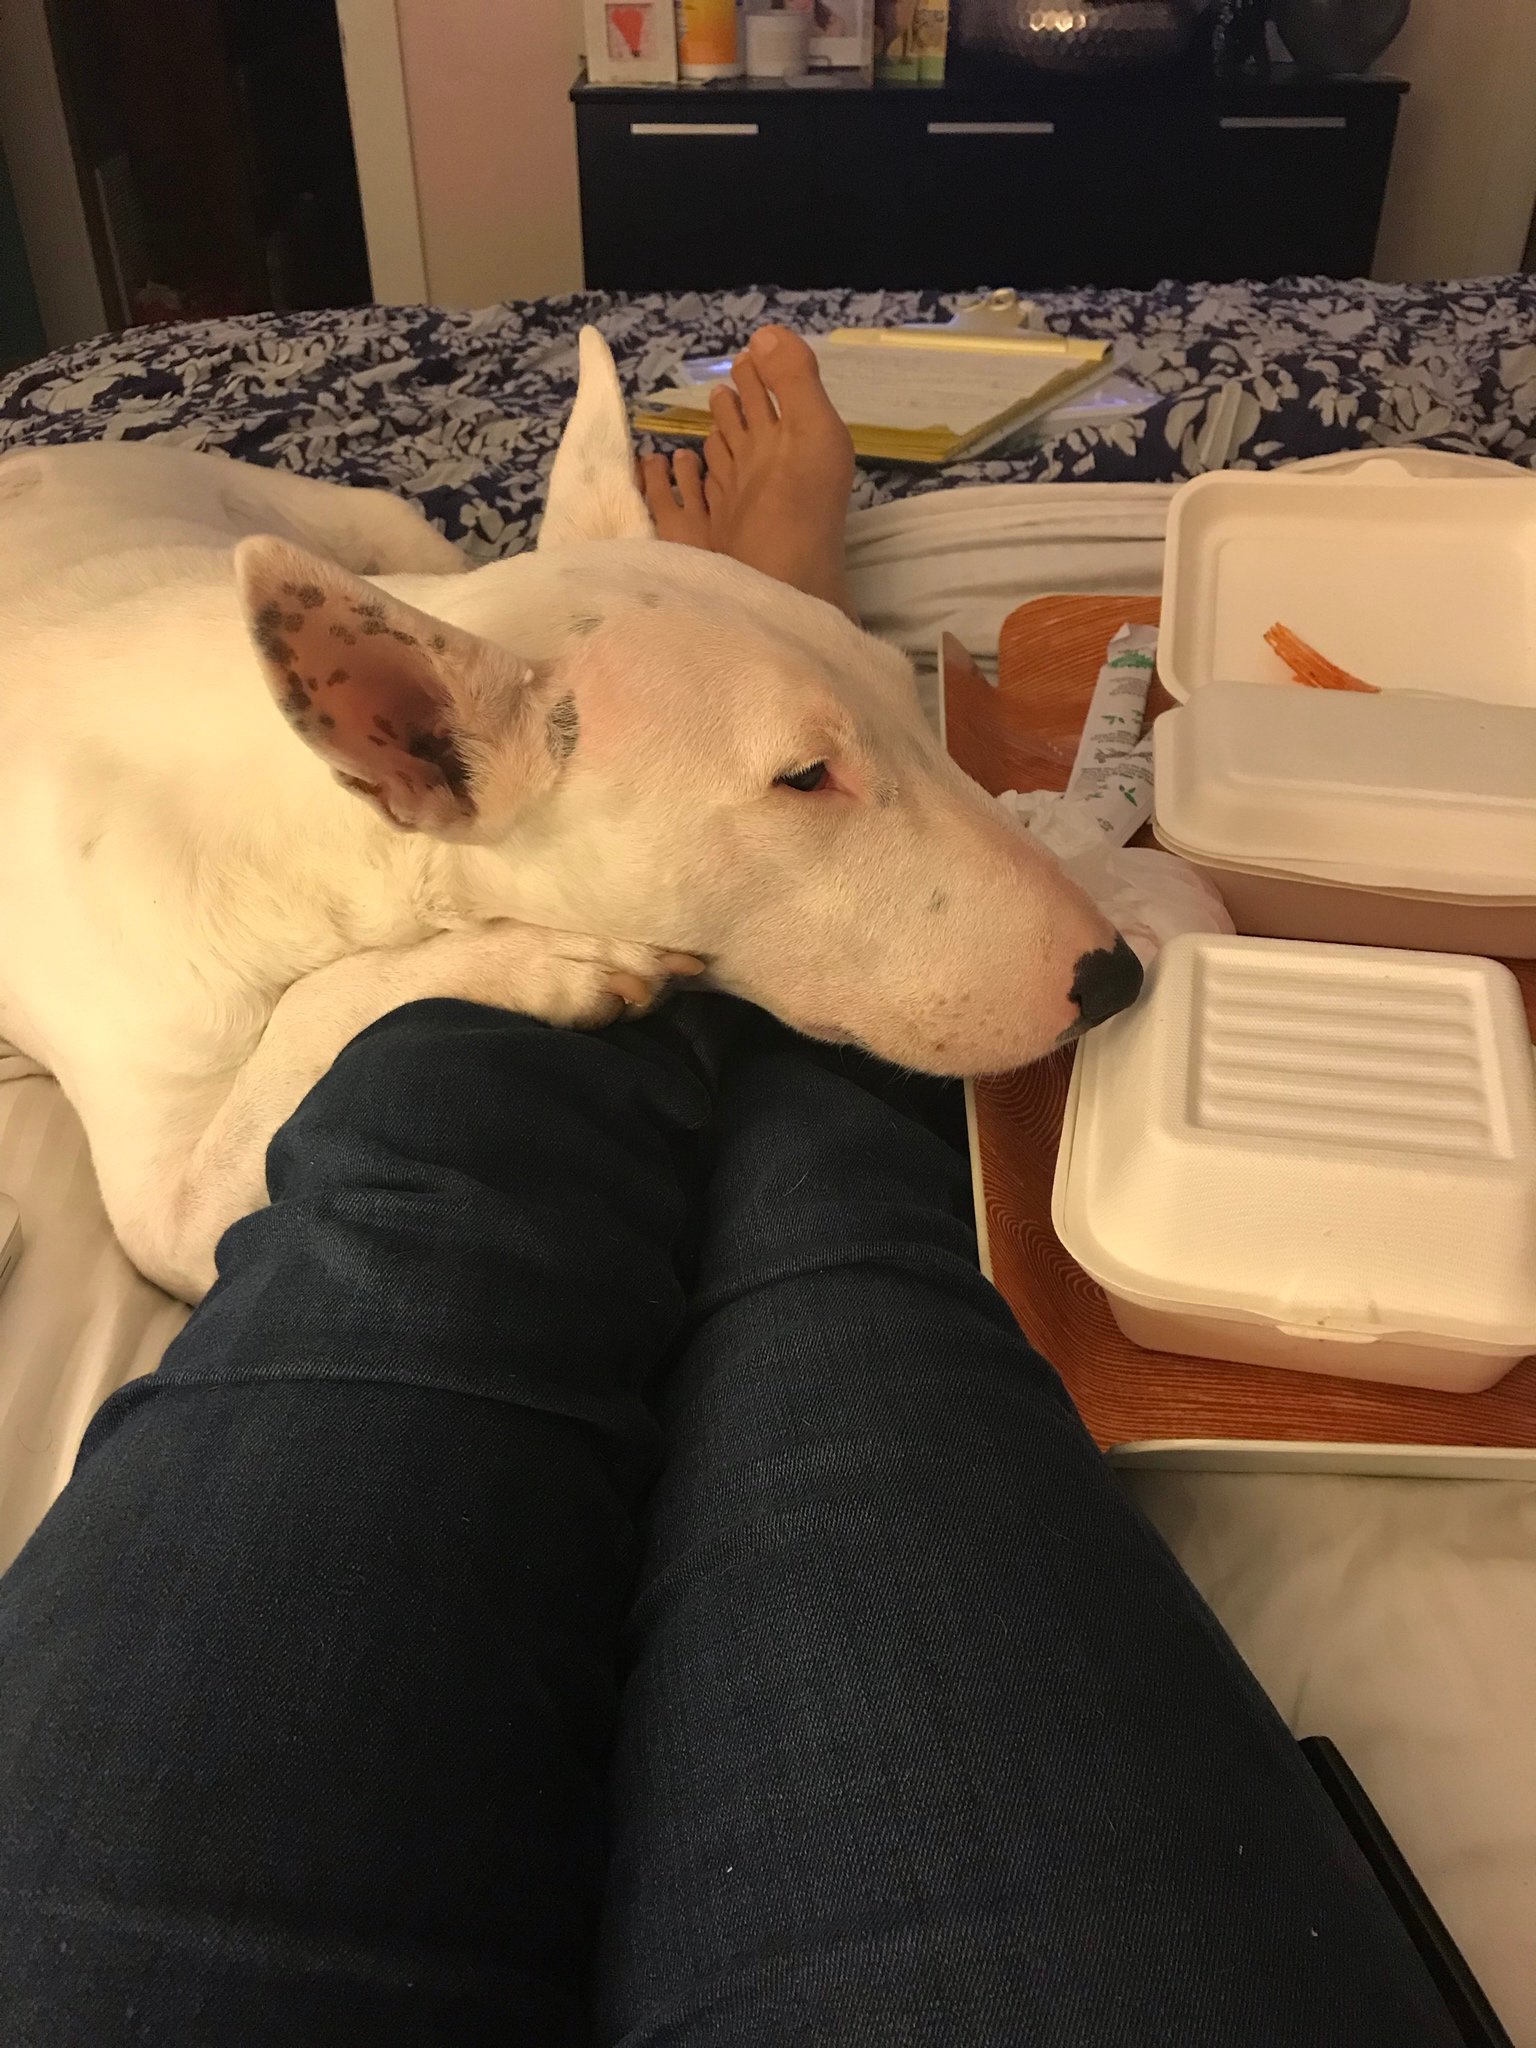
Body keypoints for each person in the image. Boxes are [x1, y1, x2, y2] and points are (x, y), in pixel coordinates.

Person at [0, 332, 1462, 2047]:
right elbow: (177, 1208)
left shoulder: (481, 691)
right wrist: (428, 969)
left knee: (452, 1173)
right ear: (409, 746)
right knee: (795, 1207)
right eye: (810, 773)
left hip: (169, 550)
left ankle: (736, 616)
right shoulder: (128, 880)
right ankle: (743, 681)